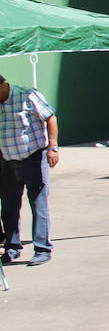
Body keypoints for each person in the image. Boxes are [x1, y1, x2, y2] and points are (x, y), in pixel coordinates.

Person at [0, 74, 59, 267]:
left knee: (38, 204)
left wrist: (52, 147)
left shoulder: (28, 95)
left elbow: (50, 117)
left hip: (33, 158)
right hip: (7, 161)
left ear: (3, 85)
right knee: (9, 208)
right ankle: (12, 247)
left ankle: (42, 249)